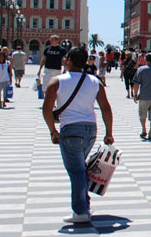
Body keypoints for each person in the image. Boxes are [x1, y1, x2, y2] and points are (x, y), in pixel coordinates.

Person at [41, 46, 115, 224]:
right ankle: (85, 204)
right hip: (90, 130)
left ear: (69, 61)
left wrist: (53, 131)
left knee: (76, 171)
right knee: (81, 168)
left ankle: (80, 211)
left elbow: (46, 109)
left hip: (71, 130)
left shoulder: (57, 81)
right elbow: (106, 108)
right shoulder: (95, 81)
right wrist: (109, 133)